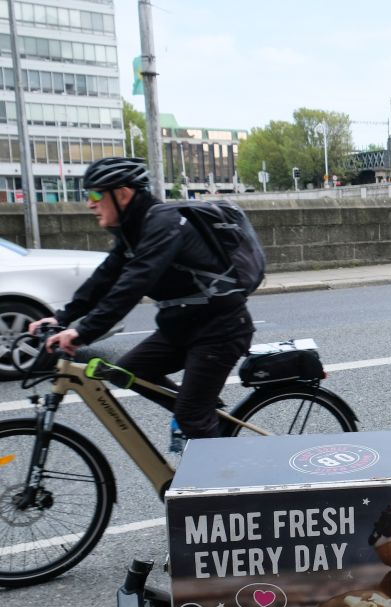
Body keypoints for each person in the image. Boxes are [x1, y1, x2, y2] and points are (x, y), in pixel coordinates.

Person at [29, 157, 255, 448]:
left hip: (219, 331)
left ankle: (223, 484)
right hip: (183, 328)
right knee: (129, 372)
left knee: (191, 416)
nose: (90, 203)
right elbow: (105, 277)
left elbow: (134, 282)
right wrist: (62, 317)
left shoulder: (163, 224)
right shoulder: (135, 229)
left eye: (96, 194)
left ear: (122, 194)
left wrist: (83, 331)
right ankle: (209, 420)